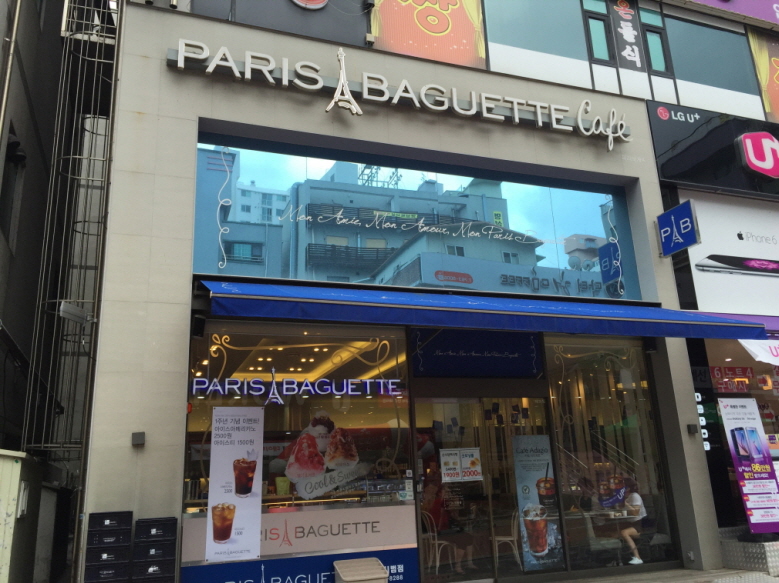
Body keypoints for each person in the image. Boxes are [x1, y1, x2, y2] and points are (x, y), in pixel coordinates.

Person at [618, 477, 647, 565]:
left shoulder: (635, 496)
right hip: (630, 523)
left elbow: (635, 512)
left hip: (639, 524)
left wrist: (626, 504)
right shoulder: (628, 497)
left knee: (624, 533)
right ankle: (619, 558)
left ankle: (637, 557)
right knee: (615, 533)